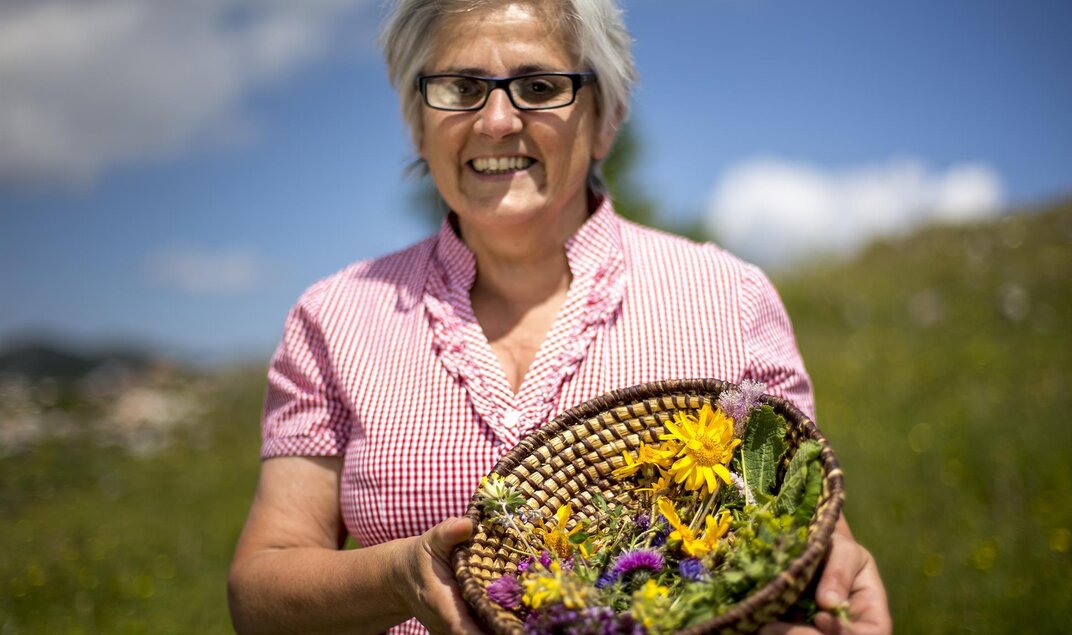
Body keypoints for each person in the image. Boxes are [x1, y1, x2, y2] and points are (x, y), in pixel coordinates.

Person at [227, 1, 891, 634]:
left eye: (540, 86)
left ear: (606, 116)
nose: (496, 121)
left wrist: (833, 577)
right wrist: (398, 577)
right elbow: (259, 596)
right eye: (460, 88)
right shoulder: (334, 318)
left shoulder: (728, 298)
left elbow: (809, 530)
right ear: (416, 121)